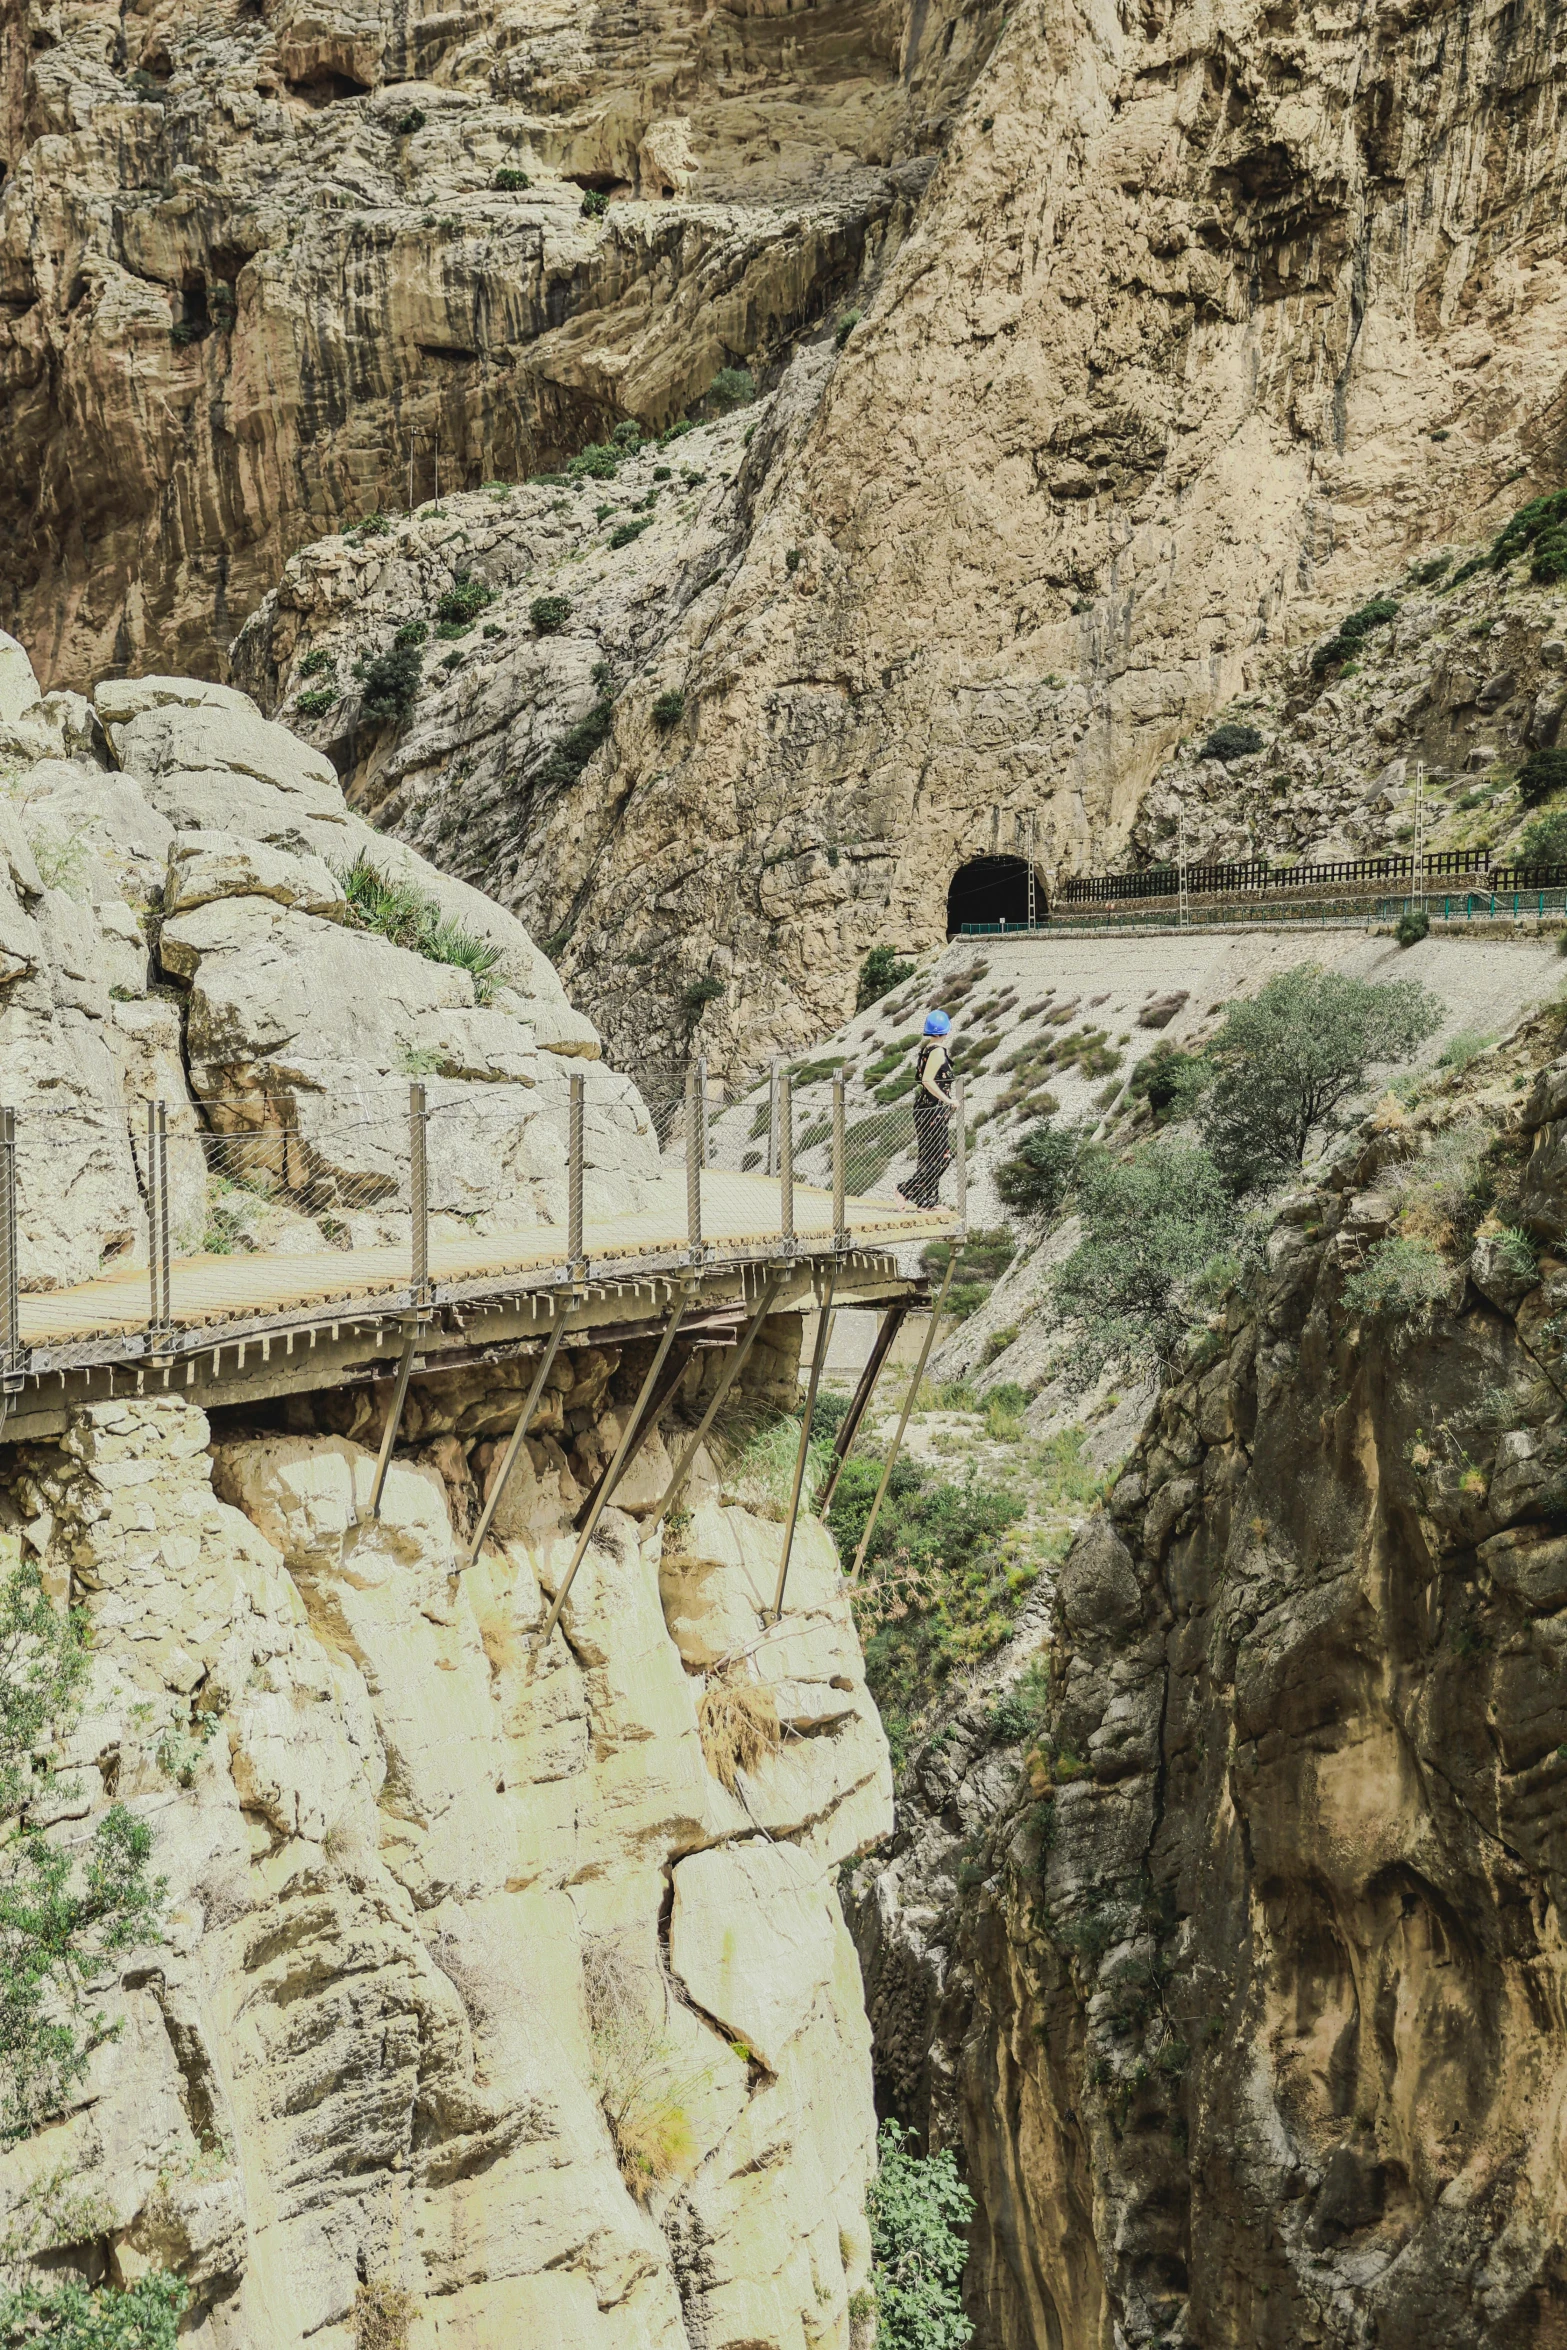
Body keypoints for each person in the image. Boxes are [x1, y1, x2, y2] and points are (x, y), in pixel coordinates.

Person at [898, 1011, 954, 1208]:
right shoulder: (938, 1051)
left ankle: (927, 1201)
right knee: (943, 1157)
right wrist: (948, 1100)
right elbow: (927, 1080)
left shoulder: (927, 1049)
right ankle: (905, 1190)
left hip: (926, 1108)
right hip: (932, 1110)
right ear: (946, 1029)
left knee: (929, 1156)